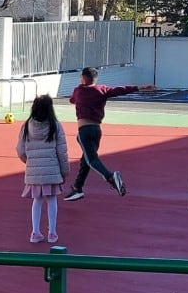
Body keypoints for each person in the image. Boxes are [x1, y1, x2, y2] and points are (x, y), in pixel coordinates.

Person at [64, 67, 155, 201]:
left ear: (83, 78)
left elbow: (72, 100)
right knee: (86, 160)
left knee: (92, 160)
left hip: (84, 130)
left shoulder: (79, 90)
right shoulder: (102, 90)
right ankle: (77, 188)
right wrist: (140, 87)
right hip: (97, 131)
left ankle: (111, 178)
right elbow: (121, 90)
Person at [16, 95, 70, 244]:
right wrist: (64, 171)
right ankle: (52, 232)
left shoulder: (26, 126)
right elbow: (62, 152)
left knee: (37, 201)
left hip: (33, 171)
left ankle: (35, 232)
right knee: (52, 200)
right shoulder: (56, 126)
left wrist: (29, 161)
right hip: (52, 170)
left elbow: (20, 150)